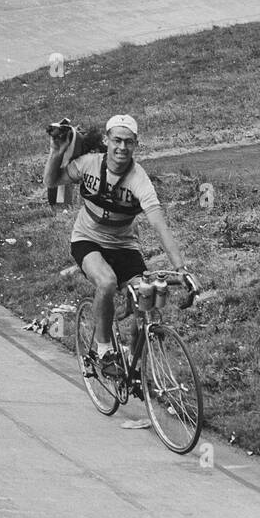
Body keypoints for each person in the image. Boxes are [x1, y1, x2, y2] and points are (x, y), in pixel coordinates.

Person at [43, 113, 191, 375]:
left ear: (136, 144)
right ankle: (104, 351)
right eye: (117, 141)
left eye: (128, 142)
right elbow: (52, 182)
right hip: (87, 239)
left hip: (124, 245)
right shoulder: (89, 164)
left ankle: (134, 366)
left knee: (146, 302)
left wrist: (182, 269)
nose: (122, 148)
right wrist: (56, 151)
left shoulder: (139, 180)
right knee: (107, 282)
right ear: (107, 140)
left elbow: (159, 225)